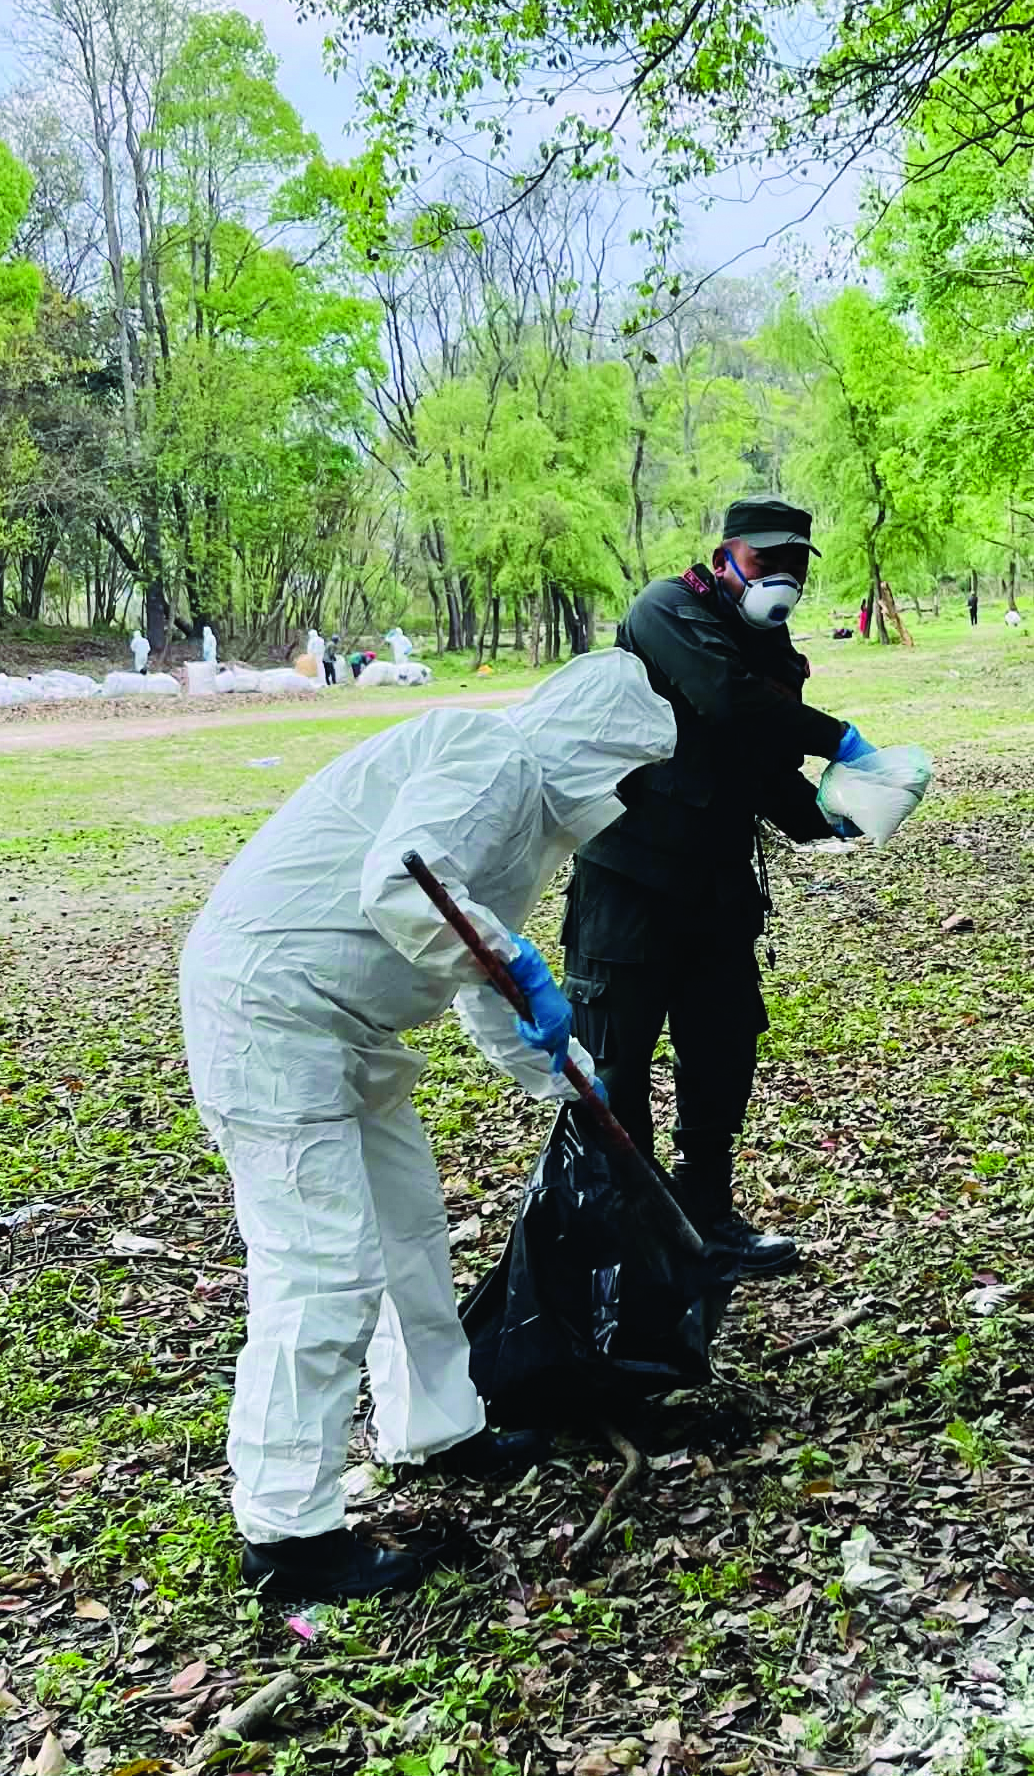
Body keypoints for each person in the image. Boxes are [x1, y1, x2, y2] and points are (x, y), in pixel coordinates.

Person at [179, 650, 677, 1601]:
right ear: (597, 749)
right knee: (321, 1261)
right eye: (630, 775)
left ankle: (435, 1426)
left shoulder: (527, 820)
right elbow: (403, 885)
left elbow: (487, 987)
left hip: (348, 1024)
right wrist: (517, 959)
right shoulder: (493, 758)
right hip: (272, 1011)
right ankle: (288, 1531)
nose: (629, 797)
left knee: (409, 1229)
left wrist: (574, 1077)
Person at [562, 498, 883, 1277]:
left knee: (722, 1051)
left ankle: (707, 1218)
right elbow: (724, 698)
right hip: (627, 883)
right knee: (614, 1069)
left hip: (716, 886)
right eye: (766, 559)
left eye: (796, 562)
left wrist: (829, 816)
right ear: (726, 555)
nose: (783, 576)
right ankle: (633, 1238)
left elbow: (763, 766)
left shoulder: (774, 651)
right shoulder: (668, 610)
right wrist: (838, 736)